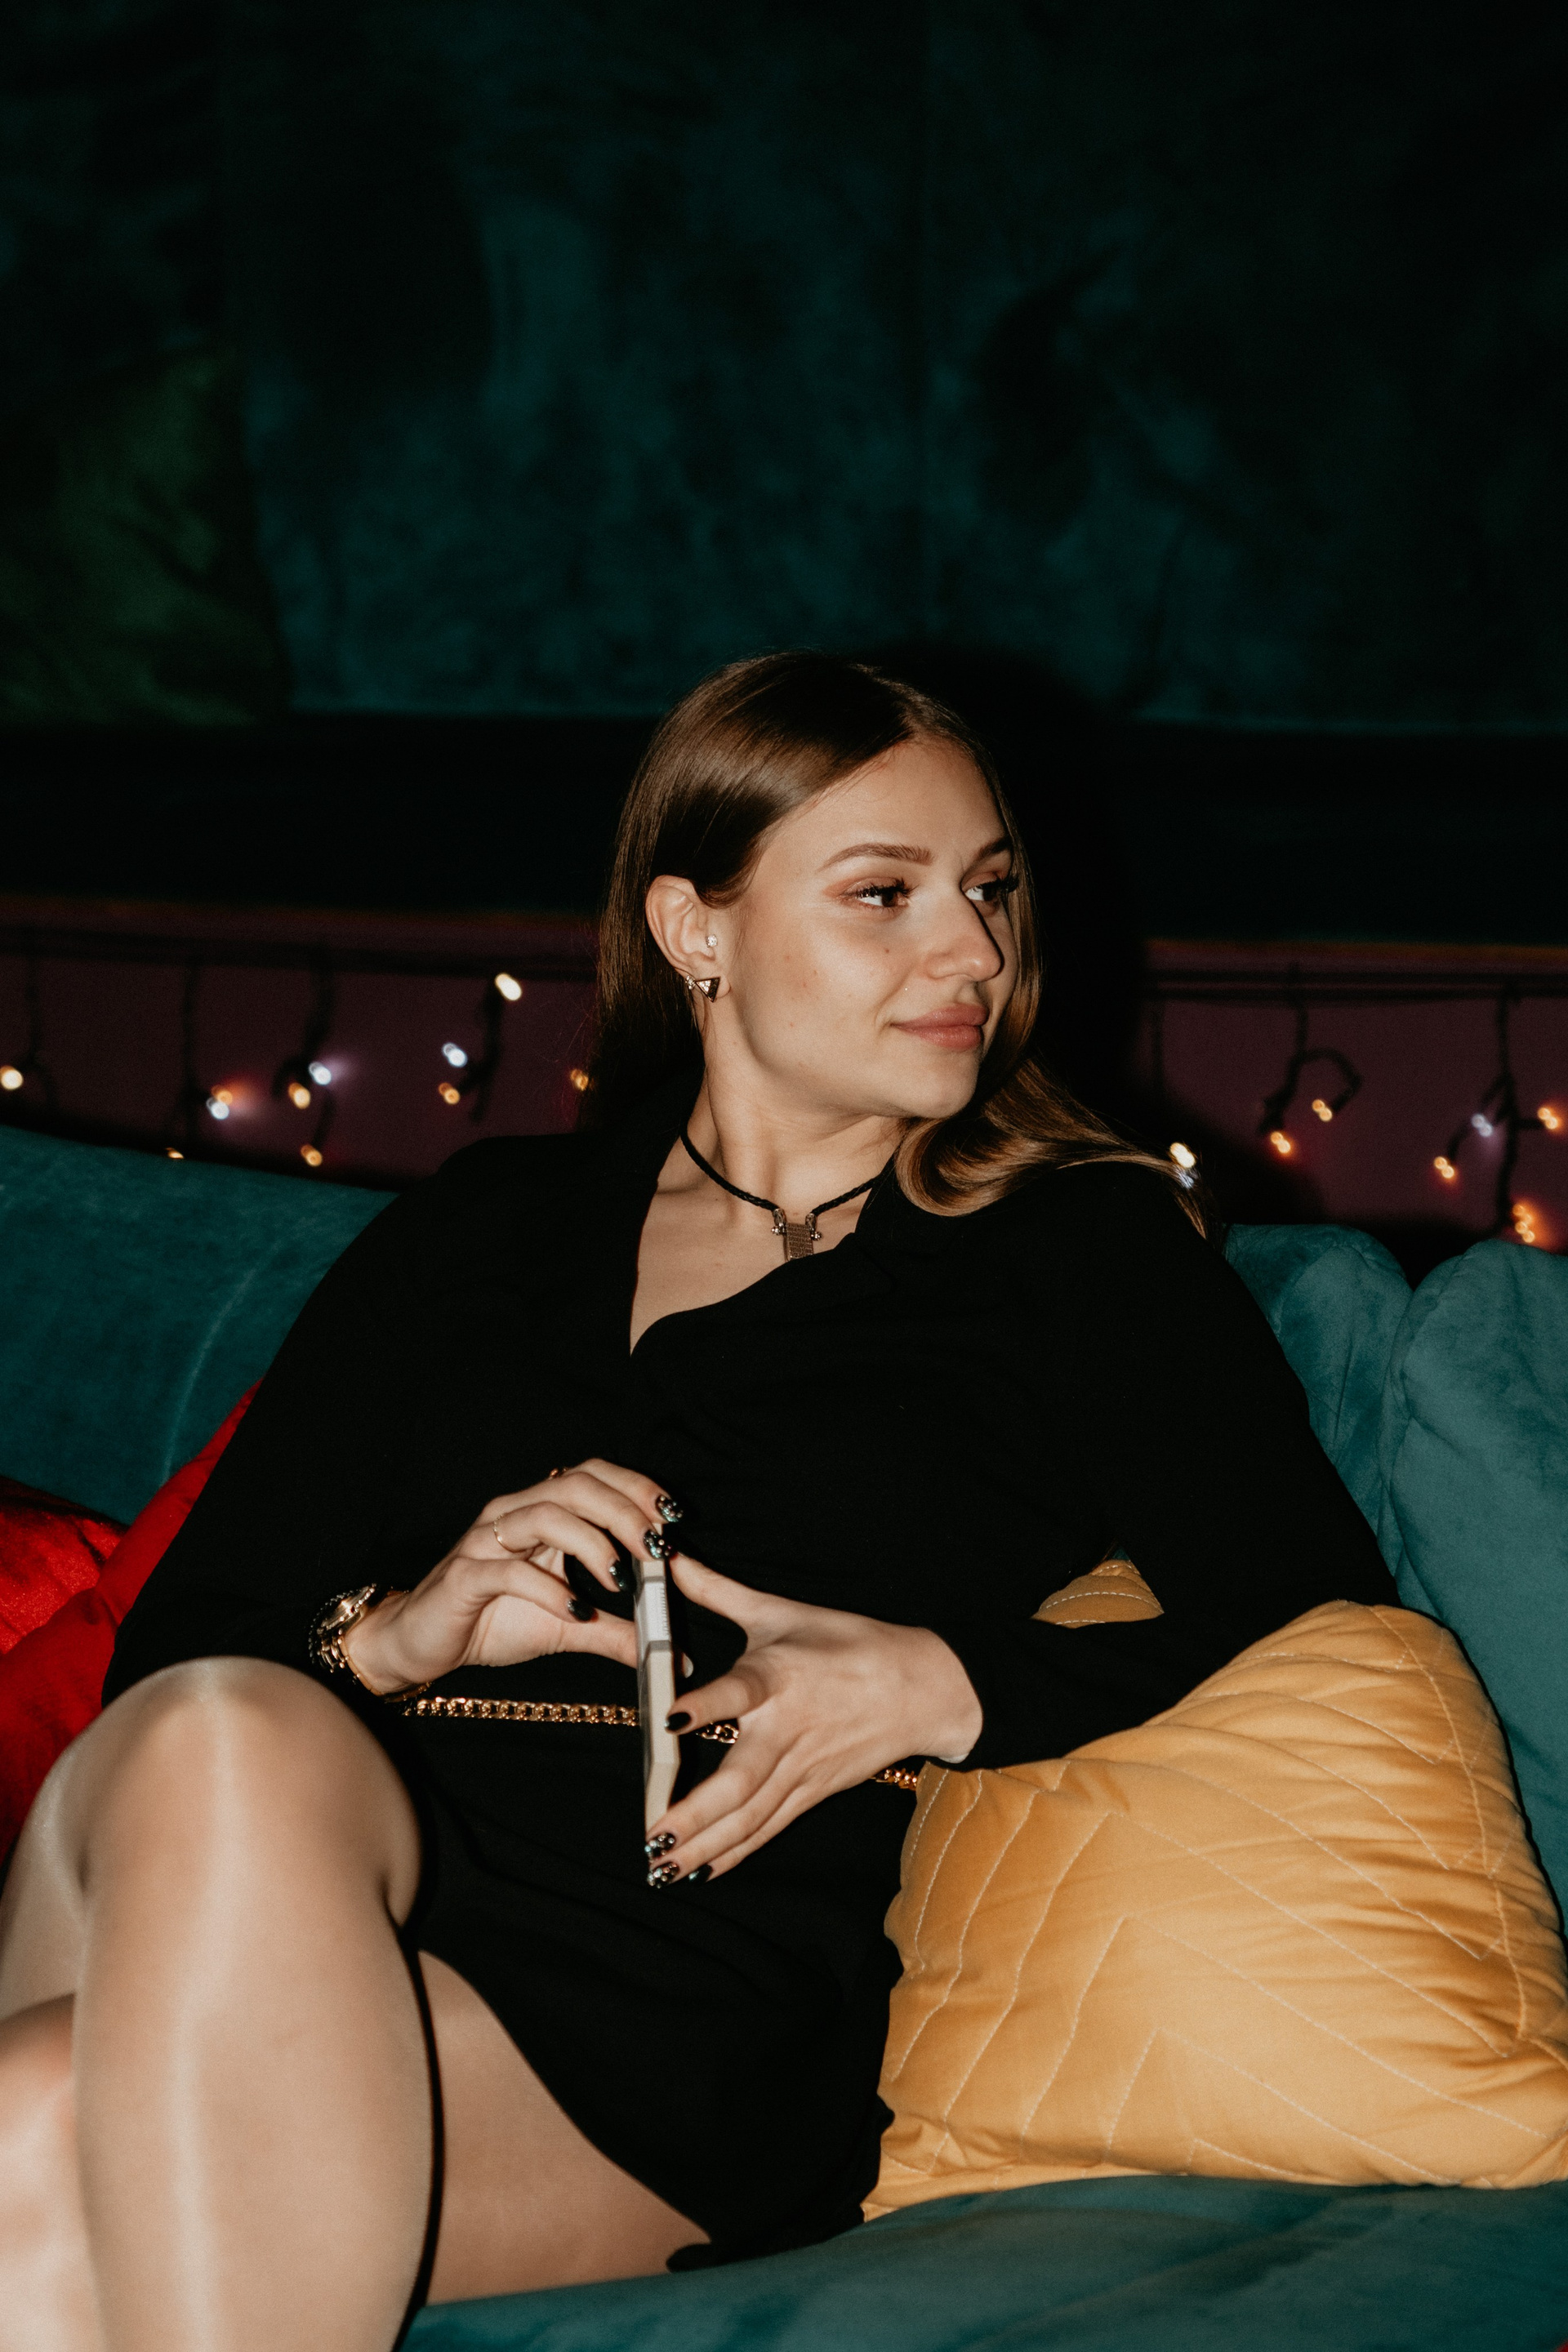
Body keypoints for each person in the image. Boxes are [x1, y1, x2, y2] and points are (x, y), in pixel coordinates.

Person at [0, 652, 1396, 2351]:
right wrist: (398, 1635)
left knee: (33, 2137)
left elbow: (1318, 1613)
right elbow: (172, 1652)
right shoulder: (481, 1228)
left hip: (666, 1996)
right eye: (883, 895)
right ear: (694, 929)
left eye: (990, 891)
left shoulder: (1074, 1252)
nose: (971, 951)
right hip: (288, 1863)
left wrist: (947, 1684)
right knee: (223, 1727)